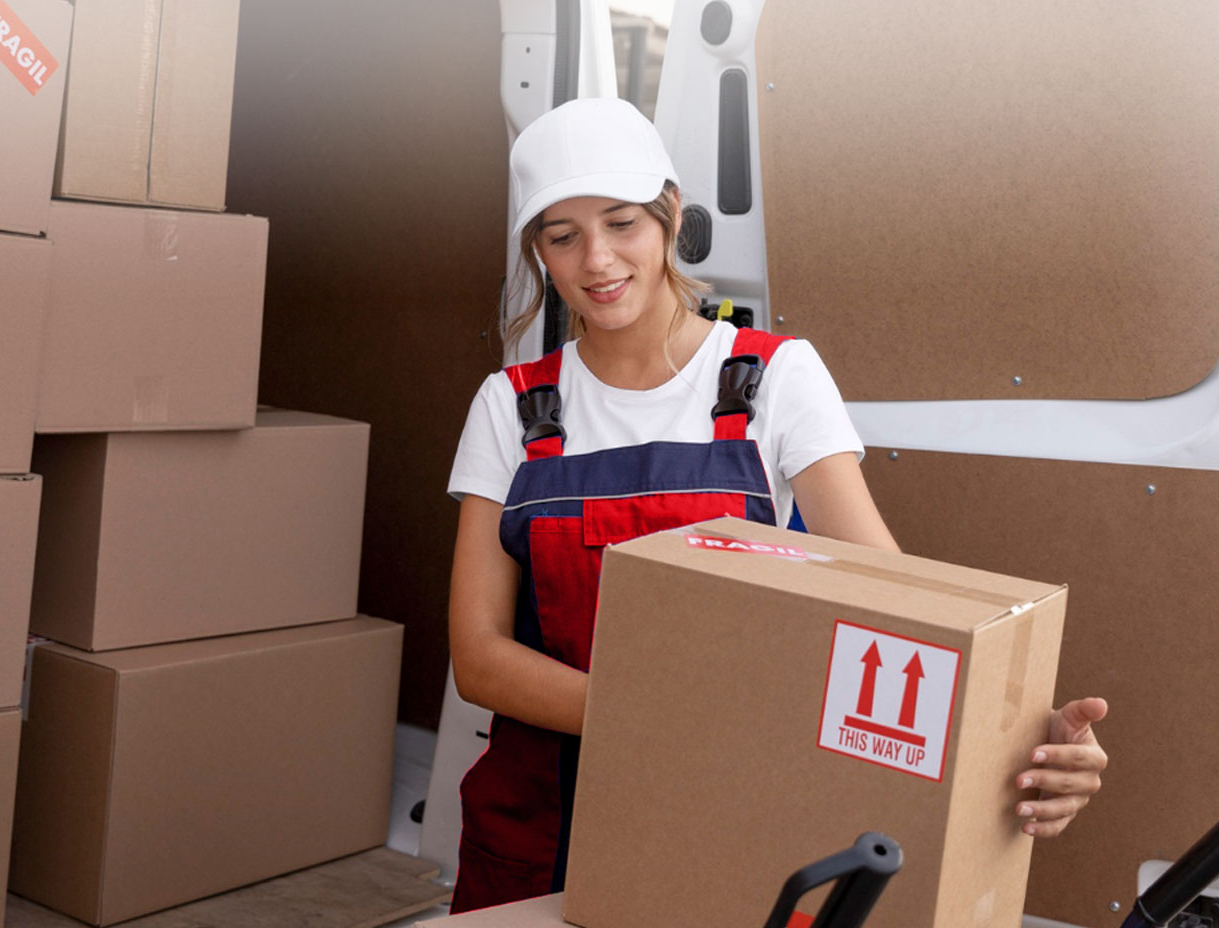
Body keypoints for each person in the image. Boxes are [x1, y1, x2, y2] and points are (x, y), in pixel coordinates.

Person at [443, 98, 1108, 914]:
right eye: (562, 236)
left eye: (622, 223)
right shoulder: (509, 405)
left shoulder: (774, 378)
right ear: (538, 252)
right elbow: (478, 656)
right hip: (544, 826)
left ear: (670, 215)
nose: (598, 260)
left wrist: (1019, 737)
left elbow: (894, 602)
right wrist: (681, 716)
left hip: (740, 811)